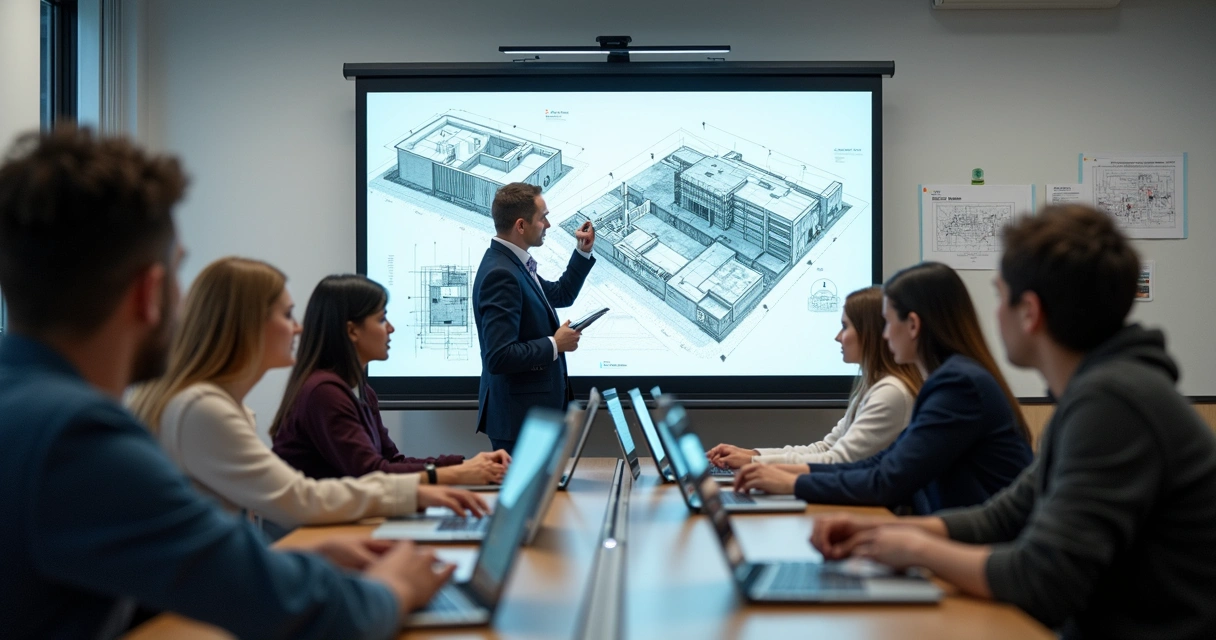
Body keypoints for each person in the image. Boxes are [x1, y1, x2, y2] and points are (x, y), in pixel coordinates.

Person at [0, 126, 451, 639]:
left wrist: (291, 562)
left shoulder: (27, 412)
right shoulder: (76, 438)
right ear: (150, 292)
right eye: (177, 276)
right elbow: (310, 612)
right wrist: (395, 587)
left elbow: (168, 568)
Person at [810, 206, 1216, 640]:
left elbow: (1042, 580)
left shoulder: (1113, 404)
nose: (995, 313)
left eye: (1000, 295)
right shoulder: (1102, 392)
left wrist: (915, 548)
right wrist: (882, 531)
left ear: (1030, 312)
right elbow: (1002, 517)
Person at [128, 257, 488, 531]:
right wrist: (448, 477)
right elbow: (301, 498)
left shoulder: (219, 406)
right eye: (287, 315)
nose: (298, 327)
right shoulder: (204, 409)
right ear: (247, 324)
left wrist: (456, 470)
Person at [734, 262, 1034, 514]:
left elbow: (885, 479)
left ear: (913, 326)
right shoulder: (953, 379)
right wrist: (773, 470)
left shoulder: (958, 385)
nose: (885, 335)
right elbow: (881, 463)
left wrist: (790, 482)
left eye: (888, 323)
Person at [272, 274, 510, 484]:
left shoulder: (361, 391)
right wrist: (459, 474)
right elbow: (373, 475)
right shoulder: (323, 392)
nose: (391, 328)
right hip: (306, 532)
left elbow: (391, 462)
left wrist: (466, 464)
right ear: (352, 331)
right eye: (381, 319)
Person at [706, 286, 922, 468]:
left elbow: (837, 461)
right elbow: (825, 448)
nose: (837, 337)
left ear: (870, 333)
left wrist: (754, 462)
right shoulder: (874, 386)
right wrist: (752, 455)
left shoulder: (891, 393)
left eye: (845, 327)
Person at [473, 182, 596, 453]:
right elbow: (499, 356)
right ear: (520, 225)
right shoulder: (501, 274)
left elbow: (560, 294)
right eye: (543, 218)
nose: (548, 225)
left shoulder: (513, 263)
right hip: (521, 424)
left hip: (530, 421)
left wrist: (582, 251)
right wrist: (555, 344)